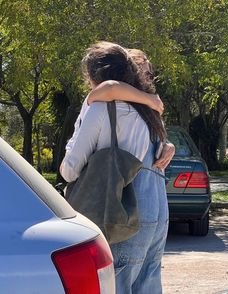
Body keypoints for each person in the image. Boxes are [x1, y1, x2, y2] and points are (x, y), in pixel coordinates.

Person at [60, 41, 169, 294]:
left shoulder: (99, 108)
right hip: (153, 209)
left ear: (92, 75)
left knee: (117, 283)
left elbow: (70, 170)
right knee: (148, 281)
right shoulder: (146, 112)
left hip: (116, 210)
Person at [86, 48, 175, 170]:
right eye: (140, 73)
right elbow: (109, 88)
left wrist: (168, 145)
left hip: (154, 185)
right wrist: (149, 99)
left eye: (149, 74)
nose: (146, 80)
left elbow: (155, 143)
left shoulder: (151, 107)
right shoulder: (109, 103)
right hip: (125, 186)